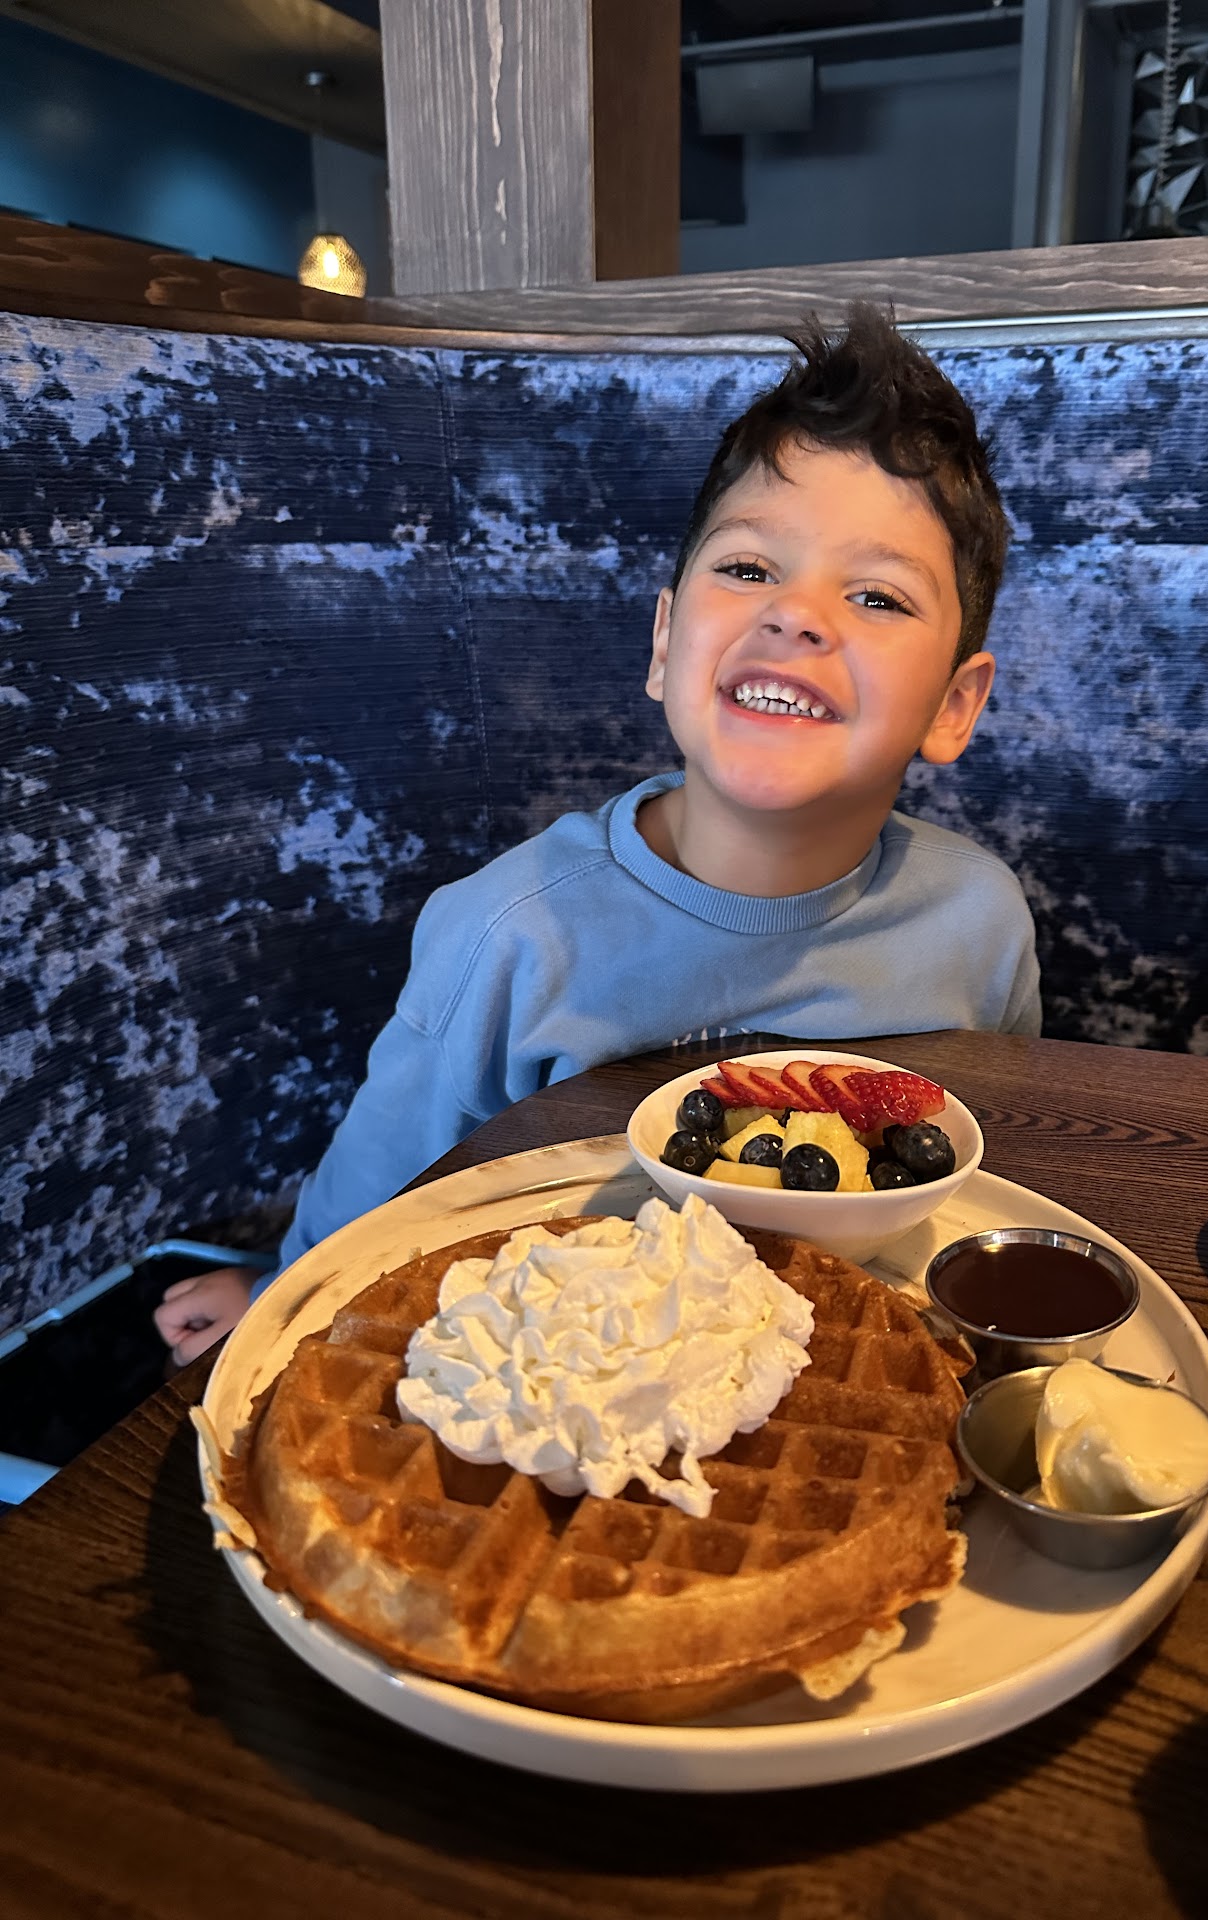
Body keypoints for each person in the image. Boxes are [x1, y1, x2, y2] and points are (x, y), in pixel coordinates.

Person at [155, 303, 1040, 1366]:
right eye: (749, 569)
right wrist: (278, 1289)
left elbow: (991, 1169)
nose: (798, 615)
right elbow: (381, 1192)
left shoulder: (981, 924)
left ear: (955, 703)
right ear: (665, 643)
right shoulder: (511, 936)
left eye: (877, 596)